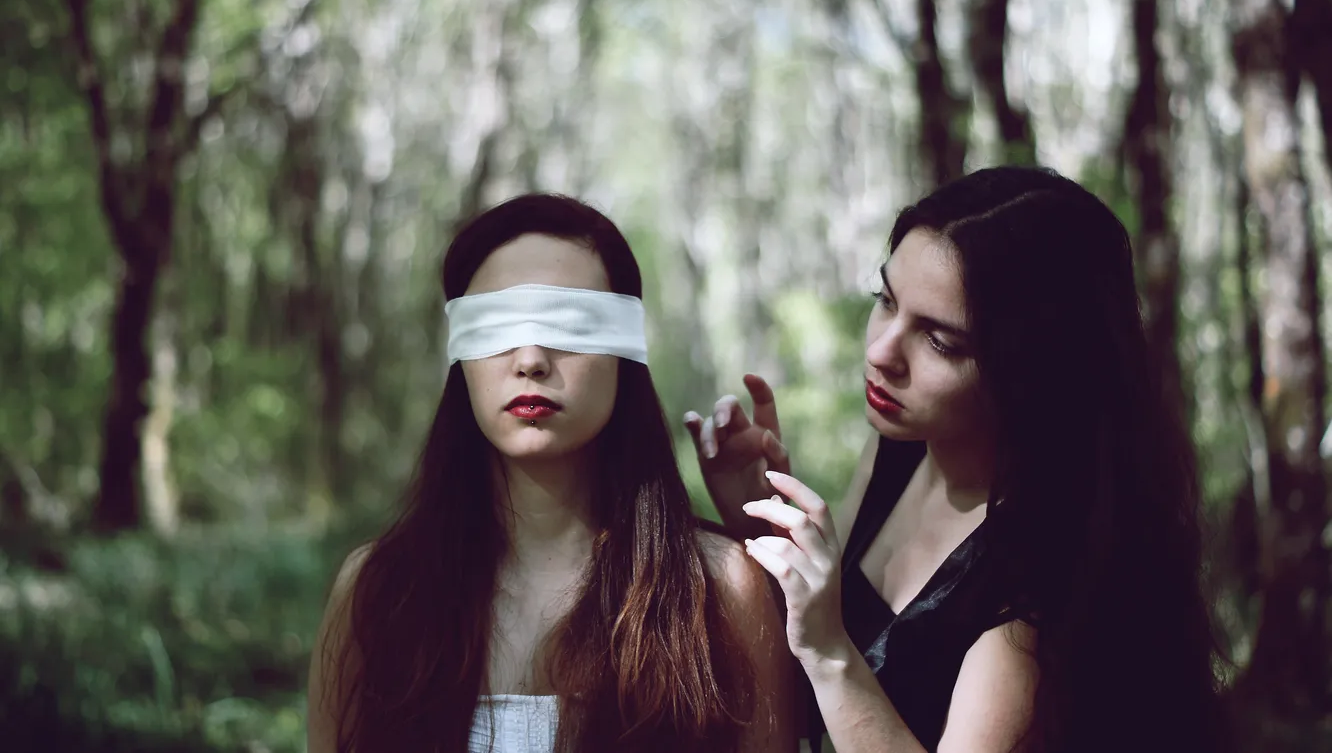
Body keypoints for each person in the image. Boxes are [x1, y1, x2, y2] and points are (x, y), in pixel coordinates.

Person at [686, 167, 1229, 752]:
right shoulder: (901, 447)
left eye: (939, 341)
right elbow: (823, 667)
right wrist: (761, 521)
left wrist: (832, 655)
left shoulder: (1040, 594)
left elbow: (836, 660)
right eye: (886, 301)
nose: (881, 351)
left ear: (1031, 370)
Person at [308, 194, 795, 753]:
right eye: (496, 325)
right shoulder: (376, 592)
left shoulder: (720, 588)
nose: (531, 358)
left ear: (625, 352)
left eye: (568, 322)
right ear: (460, 353)